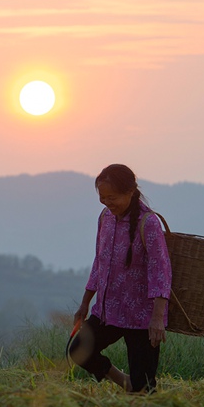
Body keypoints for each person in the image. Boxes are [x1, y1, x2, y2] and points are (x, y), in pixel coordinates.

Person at [68, 164, 172, 393]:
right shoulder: (105, 218)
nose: (107, 203)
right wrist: (85, 303)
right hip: (108, 311)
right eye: (102, 198)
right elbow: (100, 261)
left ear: (130, 192)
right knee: (78, 349)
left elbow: (161, 272)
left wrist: (157, 319)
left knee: (144, 387)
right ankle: (123, 381)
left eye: (112, 197)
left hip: (141, 317)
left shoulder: (149, 223)